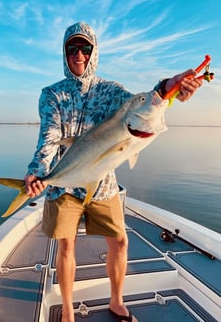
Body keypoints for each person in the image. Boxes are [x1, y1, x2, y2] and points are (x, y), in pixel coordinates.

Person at [25, 22, 202, 322]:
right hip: (63, 184)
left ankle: (116, 301)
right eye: (72, 48)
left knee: (120, 241)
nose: (78, 55)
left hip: (103, 183)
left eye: (84, 48)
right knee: (66, 245)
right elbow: (50, 137)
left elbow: (145, 101)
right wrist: (38, 171)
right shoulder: (52, 94)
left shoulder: (110, 91)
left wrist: (171, 88)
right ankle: (67, 311)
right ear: (64, 53)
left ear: (93, 52)